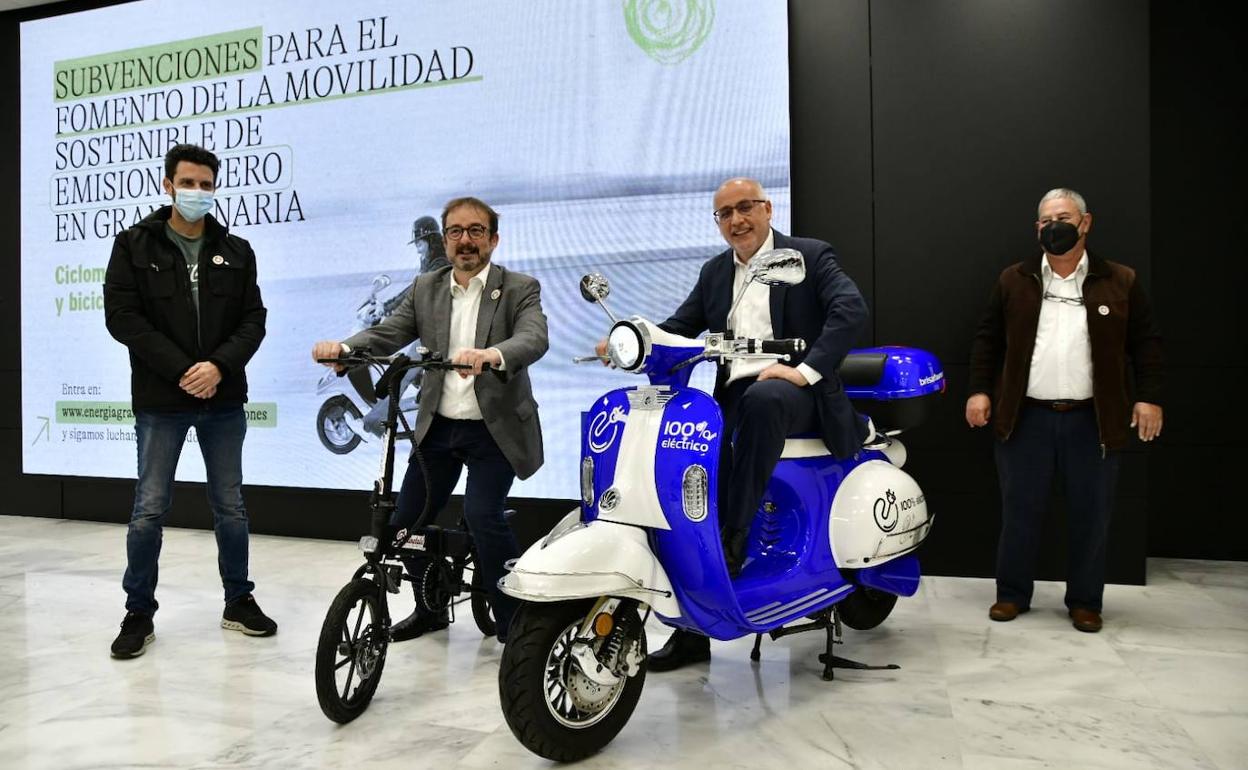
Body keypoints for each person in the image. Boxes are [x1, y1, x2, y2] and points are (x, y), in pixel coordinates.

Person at [601, 177, 871, 670]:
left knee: (764, 400)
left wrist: (805, 369)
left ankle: (734, 537)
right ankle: (689, 627)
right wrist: (628, 340)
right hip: (739, 393)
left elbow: (850, 310)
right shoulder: (714, 272)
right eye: (724, 214)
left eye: (744, 208)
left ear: (767, 209)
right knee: (683, 438)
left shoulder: (806, 255)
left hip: (798, 390)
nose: (736, 220)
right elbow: (680, 328)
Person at [311, 196, 548, 643]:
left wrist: (492, 355)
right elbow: (389, 333)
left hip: (494, 431)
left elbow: (533, 337)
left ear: (493, 240)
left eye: (476, 231)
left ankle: (517, 626)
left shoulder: (519, 287)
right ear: (444, 240)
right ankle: (429, 606)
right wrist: (346, 349)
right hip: (438, 428)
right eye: (456, 231)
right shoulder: (427, 287)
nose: (466, 241)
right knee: (402, 527)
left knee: (483, 515)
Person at [103, 143, 274, 659]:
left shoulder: (237, 250)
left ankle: (238, 601)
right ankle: (138, 613)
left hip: (223, 398)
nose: (198, 193)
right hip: (162, 398)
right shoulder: (134, 245)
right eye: (188, 183)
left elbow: (254, 320)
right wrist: (183, 371)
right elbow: (123, 318)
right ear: (167, 185)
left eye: (206, 184)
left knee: (231, 507)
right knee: (149, 509)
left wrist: (218, 367)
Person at [967, 187, 1163, 633]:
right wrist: (979, 390)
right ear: (1037, 229)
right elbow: (987, 340)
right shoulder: (1014, 280)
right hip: (1025, 418)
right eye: (1046, 219)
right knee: (1020, 511)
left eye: (1064, 217)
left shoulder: (1121, 281)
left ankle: (1085, 601)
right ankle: (1012, 594)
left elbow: (1146, 345)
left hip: (1092, 419)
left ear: (1085, 223)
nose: (1054, 225)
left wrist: (1148, 396)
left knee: (1091, 514)